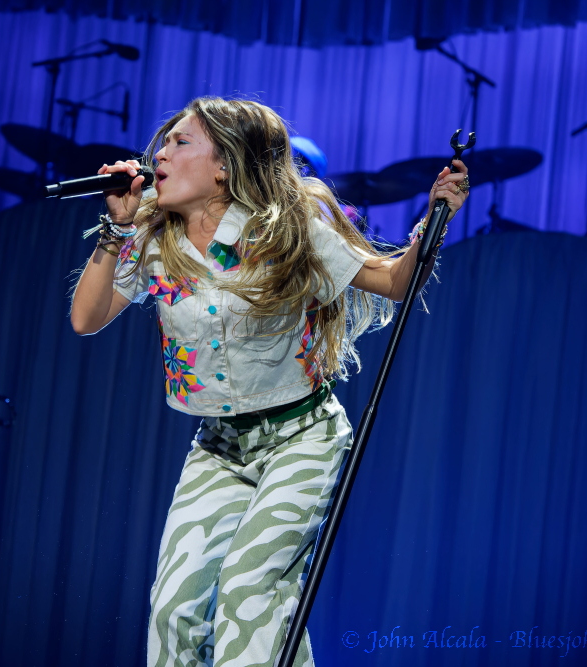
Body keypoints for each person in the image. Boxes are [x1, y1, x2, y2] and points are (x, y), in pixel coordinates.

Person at [69, 97, 469, 667]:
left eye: (181, 142)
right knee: (173, 608)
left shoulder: (288, 228)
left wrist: (433, 223)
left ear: (223, 166)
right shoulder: (154, 234)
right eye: (163, 142)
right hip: (220, 446)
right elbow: (86, 318)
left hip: (301, 437)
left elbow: (393, 282)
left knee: (249, 594)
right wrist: (115, 228)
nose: (160, 154)